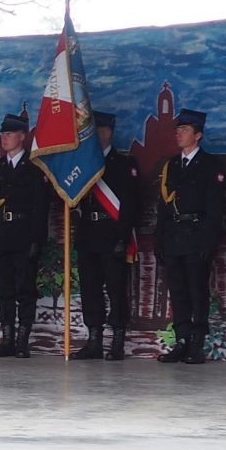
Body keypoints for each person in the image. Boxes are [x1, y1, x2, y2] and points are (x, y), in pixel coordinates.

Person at [154, 108, 225, 365]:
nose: (179, 134)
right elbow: (163, 207)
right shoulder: (172, 165)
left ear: (198, 135)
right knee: (178, 292)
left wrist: (209, 242)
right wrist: (159, 241)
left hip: (196, 236)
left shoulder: (210, 166)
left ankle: (197, 343)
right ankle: (182, 341)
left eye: (184, 130)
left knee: (197, 292)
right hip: (173, 236)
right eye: (178, 129)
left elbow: (215, 209)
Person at [0, 113, 51, 359]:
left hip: (23, 237)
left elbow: (41, 209)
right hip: (0, 236)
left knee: (25, 290)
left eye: (9, 134)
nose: (4, 138)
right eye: (3, 133)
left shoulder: (34, 169)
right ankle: (7, 339)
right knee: (4, 291)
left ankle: (23, 341)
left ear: (22, 136)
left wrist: (37, 241)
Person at [71, 111, 140, 360]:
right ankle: (94, 340)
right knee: (90, 289)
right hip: (88, 233)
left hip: (112, 234)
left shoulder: (124, 164)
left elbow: (131, 205)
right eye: (92, 130)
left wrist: (123, 238)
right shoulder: (84, 164)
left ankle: (117, 340)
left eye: (99, 130)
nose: (95, 134)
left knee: (116, 289)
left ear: (109, 132)